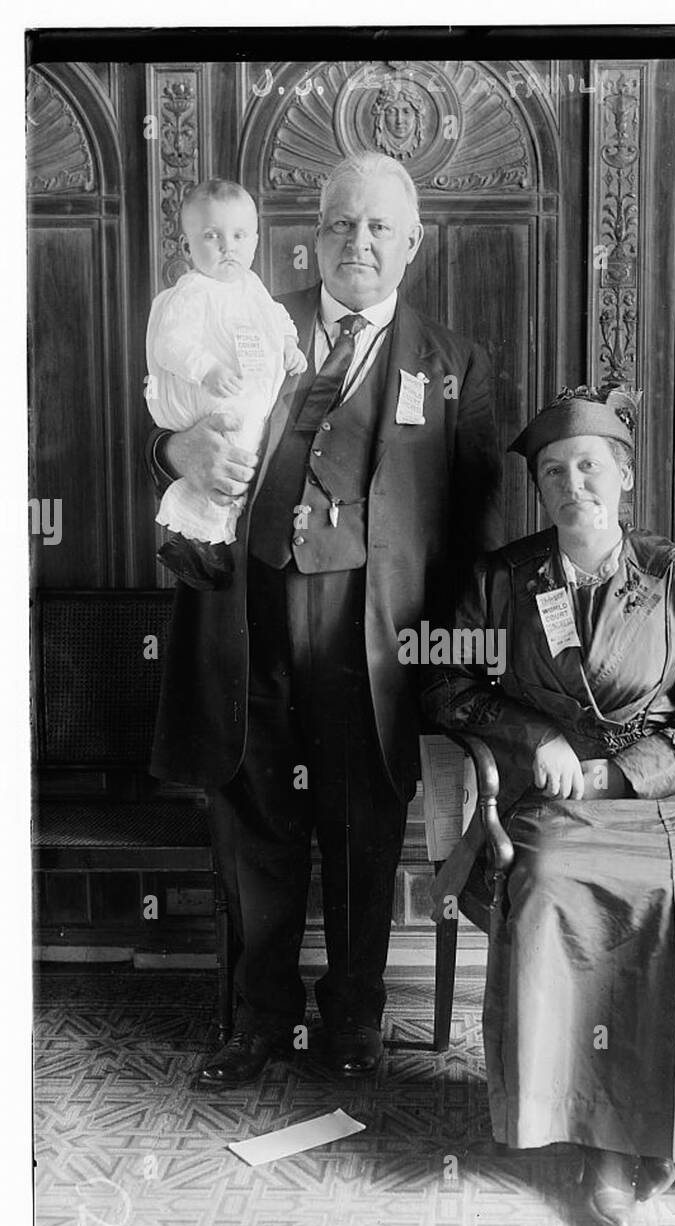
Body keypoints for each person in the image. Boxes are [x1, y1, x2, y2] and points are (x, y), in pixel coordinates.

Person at [422, 385, 675, 1226]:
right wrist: (534, 736)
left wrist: (621, 773)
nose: (574, 485)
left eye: (589, 467)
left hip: (672, 794)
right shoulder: (502, 579)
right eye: (554, 472)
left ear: (624, 479)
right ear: (539, 489)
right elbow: (443, 682)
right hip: (559, 802)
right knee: (547, 880)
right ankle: (598, 1137)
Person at [145, 153, 503, 1086]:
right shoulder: (254, 319)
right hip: (248, 622)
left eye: (380, 227)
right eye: (342, 224)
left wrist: (451, 668)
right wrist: (170, 447)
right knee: (255, 824)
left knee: (359, 834)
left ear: (412, 244)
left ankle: (353, 1019)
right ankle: (258, 1019)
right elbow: (184, 420)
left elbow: (473, 540)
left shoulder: (455, 365)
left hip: (373, 647)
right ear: (313, 237)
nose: (359, 243)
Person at [146, 179, 306, 589]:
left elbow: (276, 317)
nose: (227, 247)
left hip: (245, 395)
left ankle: (208, 539)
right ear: (187, 248)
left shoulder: (252, 287)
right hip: (210, 396)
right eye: (211, 236)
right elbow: (170, 343)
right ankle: (199, 542)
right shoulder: (194, 292)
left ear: (254, 240)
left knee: (242, 460)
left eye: (238, 236)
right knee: (226, 457)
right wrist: (207, 368)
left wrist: (288, 344)